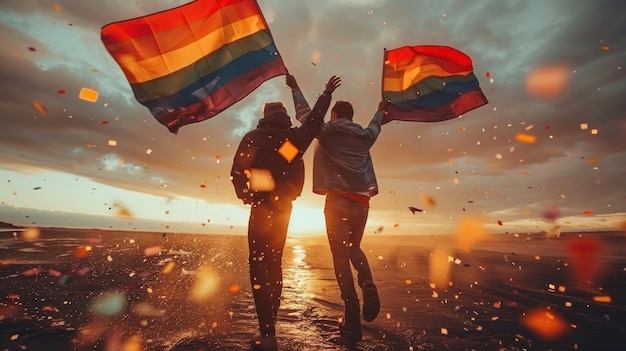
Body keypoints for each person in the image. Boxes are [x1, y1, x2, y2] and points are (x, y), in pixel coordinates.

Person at [231, 75, 342, 351]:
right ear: (283, 116)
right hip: (283, 210)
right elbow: (315, 120)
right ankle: (270, 329)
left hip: (259, 208)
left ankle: (266, 331)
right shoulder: (293, 139)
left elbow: (236, 172)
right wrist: (326, 93)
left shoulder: (252, 138)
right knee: (274, 263)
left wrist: (245, 195)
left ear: (264, 116)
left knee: (258, 265)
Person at [287, 76, 387, 341]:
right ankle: (366, 281)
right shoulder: (365, 136)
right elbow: (376, 126)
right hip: (361, 203)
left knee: (340, 257)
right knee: (354, 248)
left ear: (334, 114)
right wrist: (380, 108)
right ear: (352, 116)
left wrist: (296, 88)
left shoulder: (328, 131)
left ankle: (352, 318)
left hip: (336, 202)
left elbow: (306, 117)